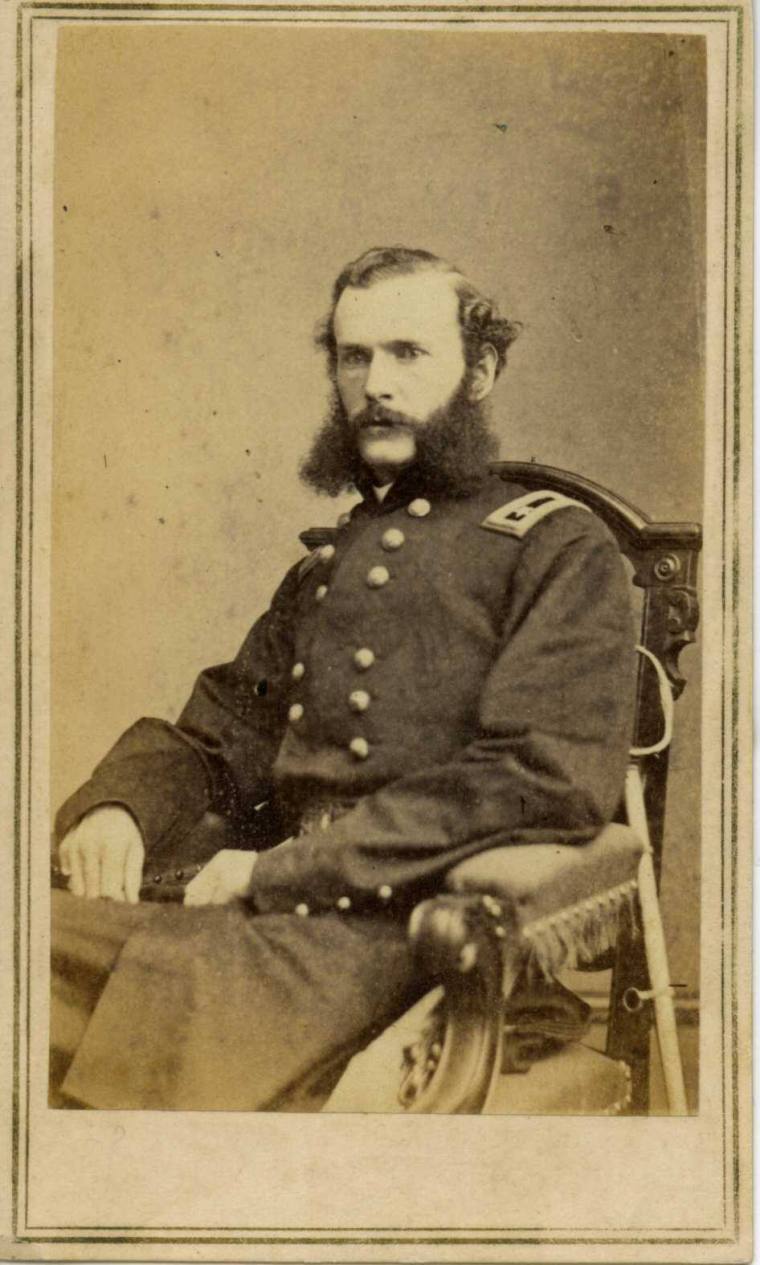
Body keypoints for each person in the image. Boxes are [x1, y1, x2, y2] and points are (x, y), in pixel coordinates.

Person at [50, 246, 637, 1111]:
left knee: (170, 1004)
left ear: (480, 372)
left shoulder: (557, 548)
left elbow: (540, 778)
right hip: (267, 916)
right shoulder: (325, 569)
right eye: (354, 356)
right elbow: (218, 736)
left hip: (411, 937)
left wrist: (278, 873)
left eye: (408, 353)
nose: (375, 385)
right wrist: (120, 805)